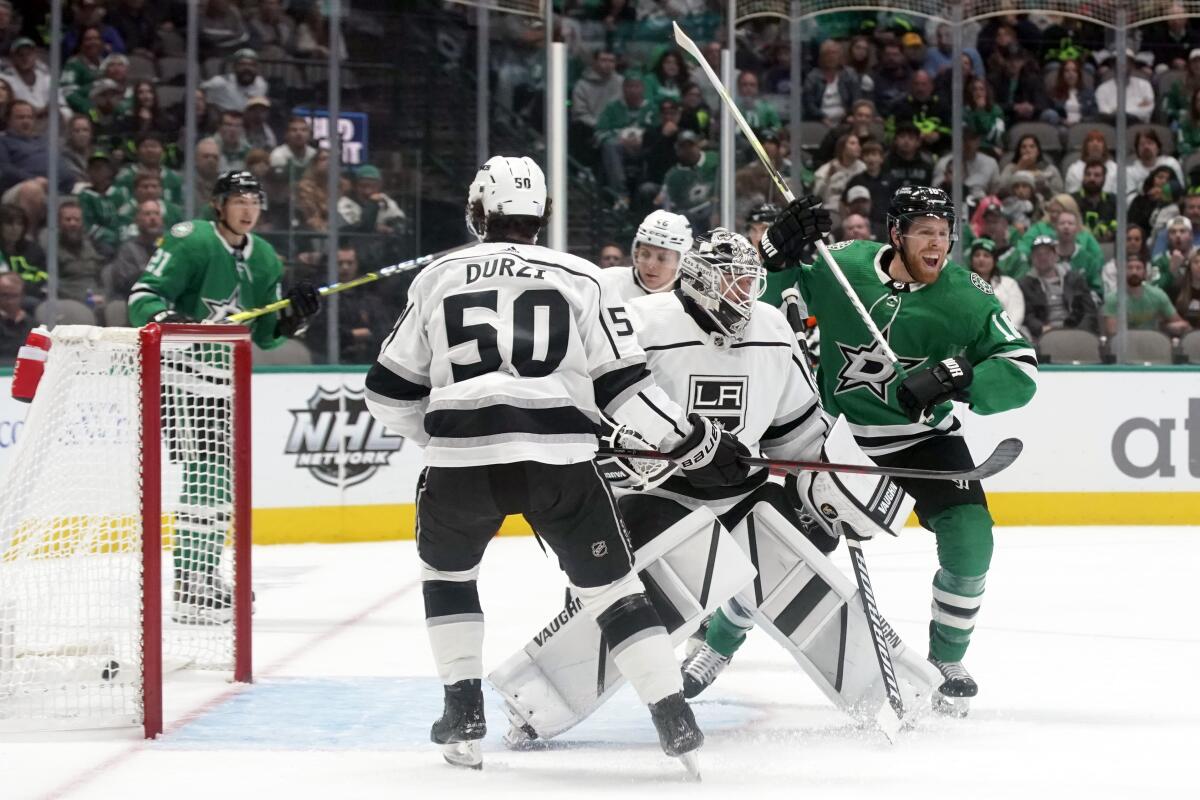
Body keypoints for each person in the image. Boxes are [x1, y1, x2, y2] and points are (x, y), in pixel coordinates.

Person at [362, 155, 750, 773]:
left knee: (449, 577)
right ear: (542, 215)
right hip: (561, 462)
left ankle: (462, 711)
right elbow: (628, 389)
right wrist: (695, 438)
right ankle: (674, 717)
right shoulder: (583, 276)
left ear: (477, 210)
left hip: (461, 463)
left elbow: (385, 393)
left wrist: (435, 434)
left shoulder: (437, 276)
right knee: (617, 593)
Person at [493, 229, 933, 746]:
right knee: (658, 575)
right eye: (733, 284)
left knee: (799, 549)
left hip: (740, 491)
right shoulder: (642, 324)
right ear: (699, 281)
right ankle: (539, 697)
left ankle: (890, 685)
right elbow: (596, 413)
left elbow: (798, 433)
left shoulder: (770, 329)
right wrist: (642, 453)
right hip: (656, 491)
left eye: (750, 284)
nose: (744, 297)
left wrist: (834, 484)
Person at [754, 186, 1038, 715]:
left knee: (972, 537)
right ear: (896, 235)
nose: (938, 242)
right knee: (782, 544)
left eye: (944, 231)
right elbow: (757, 306)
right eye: (925, 231)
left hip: (925, 440)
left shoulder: (968, 296)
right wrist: (774, 254)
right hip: (841, 439)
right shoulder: (842, 268)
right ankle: (714, 649)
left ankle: (948, 658)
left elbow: (1021, 369)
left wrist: (959, 376)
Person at [128, 170, 321, 624]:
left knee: (220, 481)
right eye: (238, 199)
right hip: (180, 375)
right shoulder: (190, 239)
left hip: (225, 381)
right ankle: (190, 582)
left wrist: (296, 315)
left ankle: (205, 574)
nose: (248, 208)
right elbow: (142, 295)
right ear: (218, 205)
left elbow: (269, 335)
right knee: (205, 474)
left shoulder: (266, 258)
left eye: (255, 200)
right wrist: (169, 316)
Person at [1018, 234, 1099, 341]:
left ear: (1056, 256)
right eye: (1038, 254)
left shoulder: (1075, 279)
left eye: (1047, 253)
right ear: (1032, 258)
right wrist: (1041, 328)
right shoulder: (1025, 284)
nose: (1043, 257)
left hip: (1075, 330)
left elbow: (1089, 312)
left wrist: (1081, 332)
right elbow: (1027, 316)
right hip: (1042, 335)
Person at [600, 209, 693, 301]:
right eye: (645, 254)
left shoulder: (695, 304)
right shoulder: (608, 283)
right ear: (636, 253)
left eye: (663, 258)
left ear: (681, 262)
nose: (651, 265)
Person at [1103, 255, 1192, 336]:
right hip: (1125, 347)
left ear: (1145, 273)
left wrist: (1164, 327)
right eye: (1129, 268)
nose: (1134, 272)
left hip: (1152, 344)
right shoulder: (1113, 299)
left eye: (1138, 268)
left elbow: (1181, 324)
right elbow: (1112, 333)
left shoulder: (1158, 295)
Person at [969, 238, 1024, 331]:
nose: (981, 259)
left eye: (986, 255)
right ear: (971, 260)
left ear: (994, 261)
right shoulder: (963, 284)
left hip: (1006, 336)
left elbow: (1016, 314)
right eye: (977, 255)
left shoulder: (1009, 284)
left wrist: (1005, 334)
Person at [0, 271, 33, 364]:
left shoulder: (33, 325)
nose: (9, 302)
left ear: (22, 296)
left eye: (14, 296)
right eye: (4, 295)